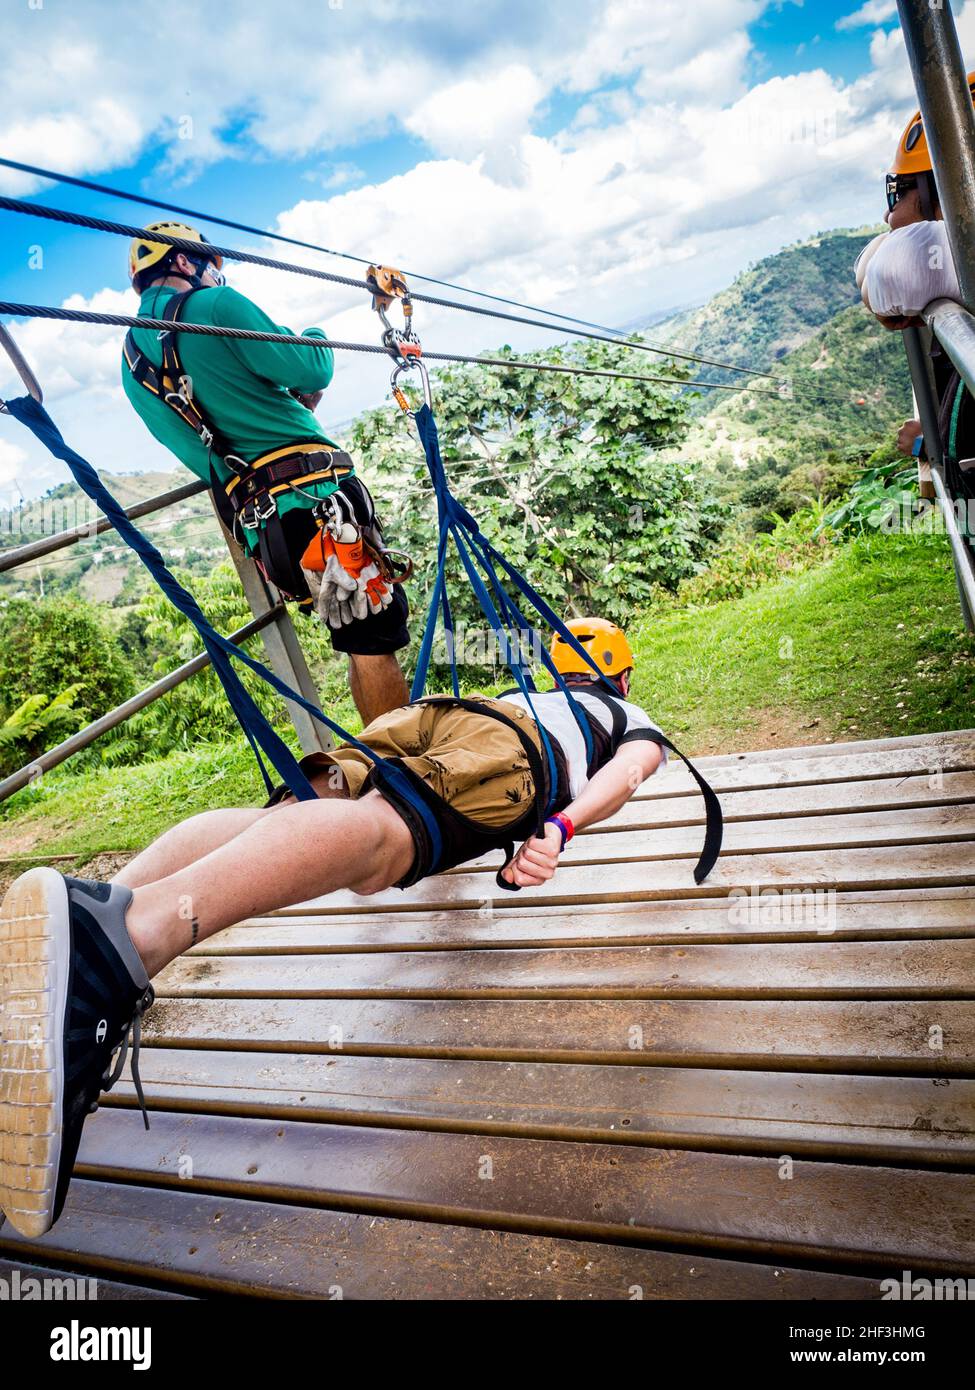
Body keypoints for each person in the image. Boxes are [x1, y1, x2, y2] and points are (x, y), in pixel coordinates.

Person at [0, 618, 679, 1238]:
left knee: (278, 826)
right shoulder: (625, 712)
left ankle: (98, 908)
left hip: (437, 718)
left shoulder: (517, 690)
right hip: (516, 751)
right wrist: (559, 826)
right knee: (384, 841)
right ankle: (121, 946)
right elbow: (624, 775)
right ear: (620, 678)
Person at [123, 221, 410, 725]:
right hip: (319, 504)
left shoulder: (130, 363)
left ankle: (390, 765)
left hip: (267, 530)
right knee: (372, 639)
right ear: (188, 263)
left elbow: (202, 447)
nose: (219, 277)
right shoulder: (215, 307)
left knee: (355, 638)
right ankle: (409, 775)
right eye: (214, 267)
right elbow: (310, 368)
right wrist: (315, 337)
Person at [856, 77, 975, 519]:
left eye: (897, 191)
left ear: (943, 190)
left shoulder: (942, 252)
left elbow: (884, 272)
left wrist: (928, 443)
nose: (888, 214)